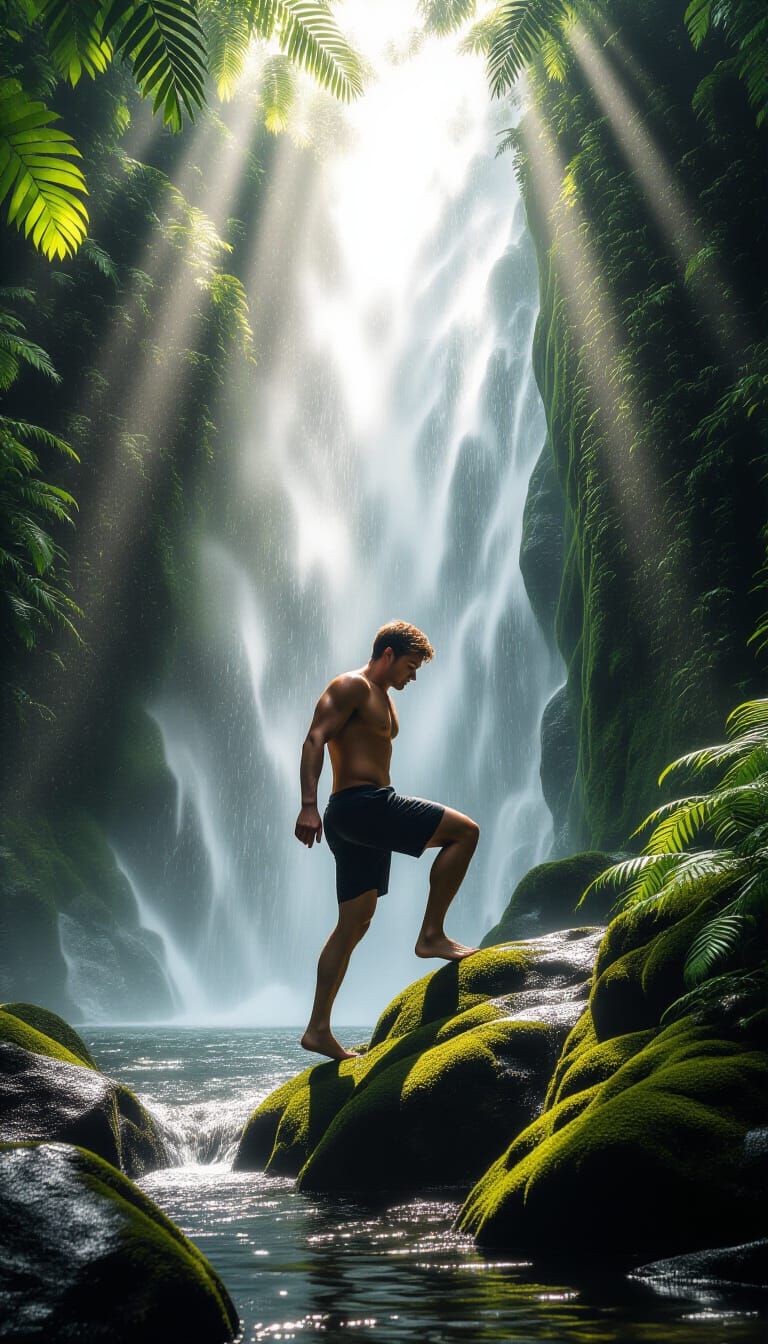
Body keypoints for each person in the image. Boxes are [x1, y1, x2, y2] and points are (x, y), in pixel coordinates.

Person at [294, 619, 480, 1061]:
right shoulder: (351, 686)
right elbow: (315, 737)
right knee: (465, 832)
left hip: (362, 812)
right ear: (389, 654)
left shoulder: (387, 701)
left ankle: (317, 1029)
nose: (412, 678)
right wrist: (307, 804)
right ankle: (431, 935)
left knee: (355, 922)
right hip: (362, 805)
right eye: (411, 667)